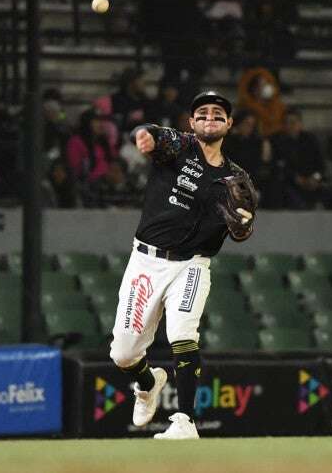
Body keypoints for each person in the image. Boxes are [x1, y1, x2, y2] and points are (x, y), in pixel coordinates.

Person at [109, 91, 255, 439]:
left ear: (229, 124)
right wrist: (144, 134)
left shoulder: (236, 179)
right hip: (146, 260)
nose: (210, 118)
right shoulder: (181, 146)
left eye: (218, 114)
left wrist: (244, 224)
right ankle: (148, 382)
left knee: (183, 334)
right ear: (192, 122)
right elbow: (153, 133)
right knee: (123, 353)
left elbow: (243, 230)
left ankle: (185, 421)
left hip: (192, 265)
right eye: (202, 113)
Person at [271, 107, 332, 210]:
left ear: (300, 124)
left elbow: (320, 164)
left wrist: (315, 178)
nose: (290, 126)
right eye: (286, 123)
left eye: (293, 122)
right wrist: (296, 178)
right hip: (291, 183)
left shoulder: (310, 140)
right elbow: (279, 165)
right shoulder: (277, 141)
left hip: (312, 181)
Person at [66, 108, 117, 184]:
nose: (101, 124)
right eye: (97, 121)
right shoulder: (75, 142)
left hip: (109, 183)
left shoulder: (104, 142)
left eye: (103, 121)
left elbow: (114, 160)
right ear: (87, 123)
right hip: (88, 186)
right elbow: (76, 172)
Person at [237, 66, 286, 138]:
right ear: (254, 89)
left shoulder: (278, 105)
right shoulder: (246, 108)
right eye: (263, 85)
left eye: (267, 84)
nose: (267, 88)